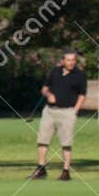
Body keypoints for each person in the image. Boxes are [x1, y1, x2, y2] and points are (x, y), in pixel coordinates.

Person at [29, 49, 87, 180]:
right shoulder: (54, 72)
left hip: (67, 112)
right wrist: (49, 95)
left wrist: (75, 111)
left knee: (66, 143)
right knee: (42, 140)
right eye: (68, 60)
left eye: (73, 60)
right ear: (62, 61)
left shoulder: (80, 75)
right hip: (49, 111)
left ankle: (66, 171)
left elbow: (82, 95)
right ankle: (41, 169)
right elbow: (44, 89)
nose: (71, 62)